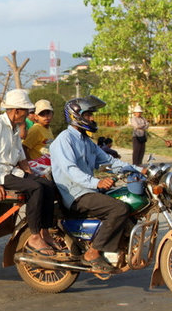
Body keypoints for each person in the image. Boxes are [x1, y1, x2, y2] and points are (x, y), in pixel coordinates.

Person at [50, 96, 144, 273]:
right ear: (76, 116)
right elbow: (71, 170)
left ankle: (117, 248)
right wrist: (97, 182)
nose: (92, 119)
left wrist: (137, 169)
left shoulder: (86, 141)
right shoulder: (65, 140)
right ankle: (93, 252)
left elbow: (108, 161)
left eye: (91, 115)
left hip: (88, 191)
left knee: (127, 203)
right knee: (119, 209)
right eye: (88, 115)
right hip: (76, 195)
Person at [0, 89, 58, 256]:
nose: (28, 114)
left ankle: (45, 232)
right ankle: (34, 236)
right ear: (17, 110)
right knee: (36, 188)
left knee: (47, 185)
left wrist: (32, 175)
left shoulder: (14, 128)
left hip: (11, 171)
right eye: (26, 111)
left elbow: (21, 158)